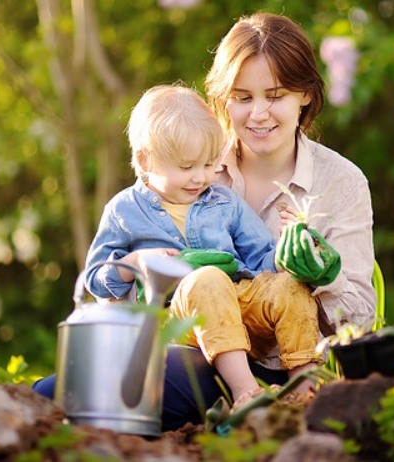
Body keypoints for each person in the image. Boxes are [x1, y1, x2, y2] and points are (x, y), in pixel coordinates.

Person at [33, 83, 332, 410]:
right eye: (187, 167)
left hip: (238, 310)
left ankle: (305, 384)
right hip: (178, 321)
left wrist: (292, 249)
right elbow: (96, 278)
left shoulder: (224, 202)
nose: (200, 178)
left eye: (208, 165)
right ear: (146, 161)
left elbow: (261, 259)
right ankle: (245, 389)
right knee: (207, 279)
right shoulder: (124, 211)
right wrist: (134, 261)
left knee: (289, 286)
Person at [159, 12, 376, 429]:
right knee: (66, 390)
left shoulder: (342, 183)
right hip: (204, 358)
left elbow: (360, 321)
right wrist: (169, 273)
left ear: (306, 95)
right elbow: (138, 282)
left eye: (274, 95)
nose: (258, 113)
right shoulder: (192, 167)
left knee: (156, 390)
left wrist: (323, 279)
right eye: (242, 97)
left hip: (295, 368)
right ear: (223, 100)